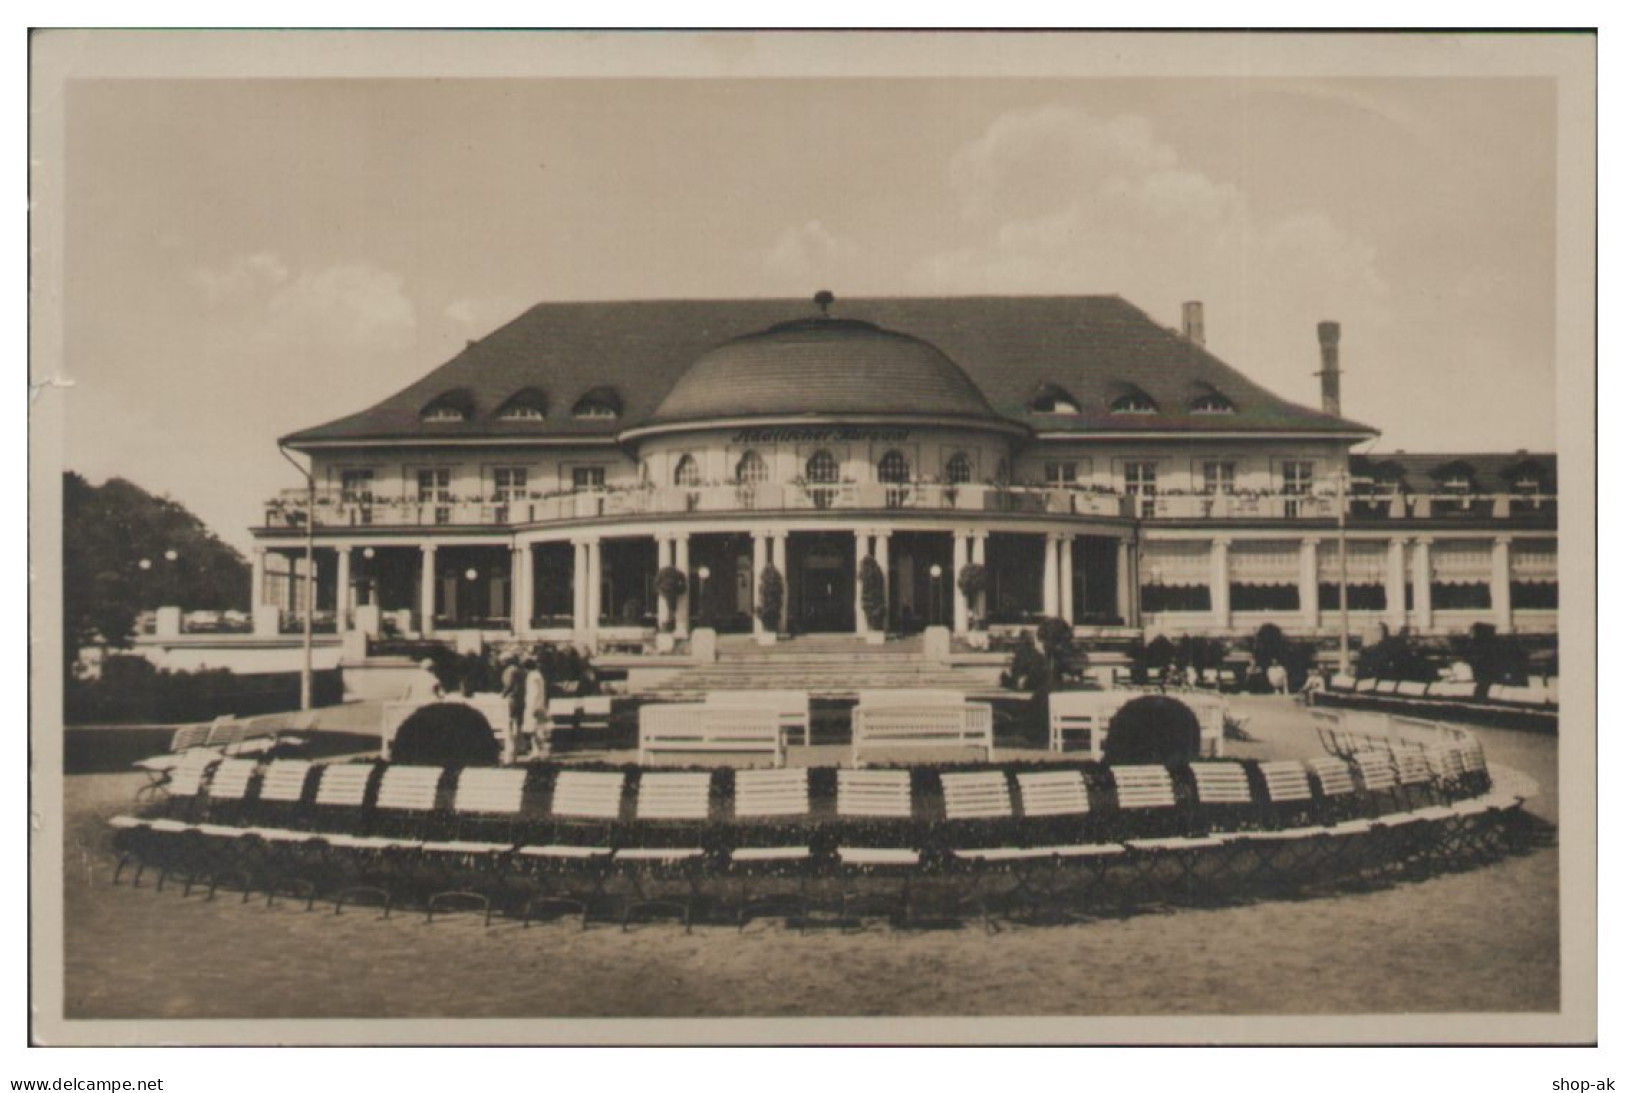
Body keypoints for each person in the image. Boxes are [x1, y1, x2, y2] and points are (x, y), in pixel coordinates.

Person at [522, 658, 550, 757]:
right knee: (538, 729)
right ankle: (538, 750)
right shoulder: (539, 675)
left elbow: (534, 693)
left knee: (535, 729)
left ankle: (538, 751)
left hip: (533, 706)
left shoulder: (532, 677)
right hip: (540, 704)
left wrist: (533, 707)